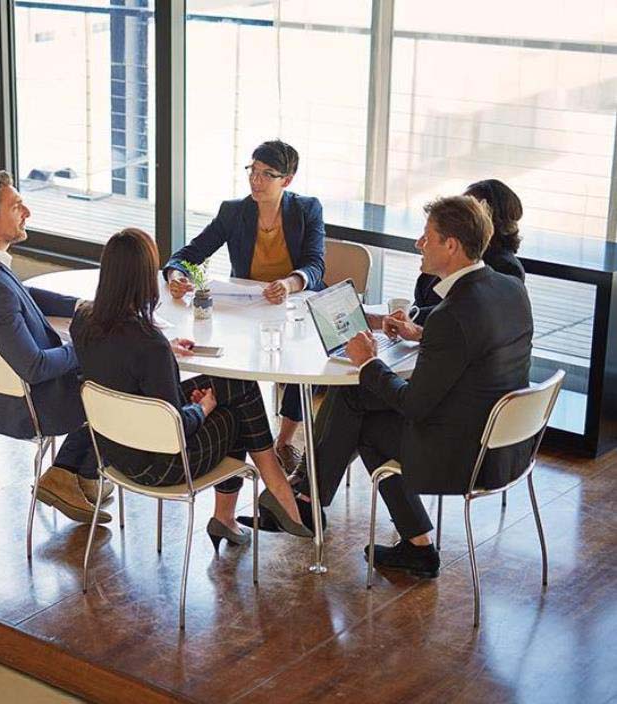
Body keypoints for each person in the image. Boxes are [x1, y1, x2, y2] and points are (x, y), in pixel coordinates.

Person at [283, 195, 534, 577]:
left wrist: (368, 361)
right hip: (509, 445)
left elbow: (414, 406)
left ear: (451, 245)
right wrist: (419, 333)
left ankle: (308, 499)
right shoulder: (508, 289)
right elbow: (469, 347)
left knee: (359, 408)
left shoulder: (454, 314)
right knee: (358, 399)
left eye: (426, 236)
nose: (419, 243)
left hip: (466, 457)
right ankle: (317, 502)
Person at [72, 227, 312, 548]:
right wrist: (203, 408)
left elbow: (120, 367)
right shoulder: (149, 344)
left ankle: (241, 512)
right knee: (237, 403)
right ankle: (278, 495)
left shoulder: (84, 320)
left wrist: (167, 353)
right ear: (144, 278)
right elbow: (176, 431)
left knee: (233, 386)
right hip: (161, 464)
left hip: (113, 452)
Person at [0, 171, 112, 525]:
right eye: (16, 206)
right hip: (28, 405)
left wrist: (84, 306)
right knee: (115, 377)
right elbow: (34, 367)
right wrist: (87, 345)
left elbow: (24, 296)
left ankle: (79, 475)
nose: (28, 212)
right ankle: (66, 472)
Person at [162, 140, 325, 473]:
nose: (256, 180)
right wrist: (176, 275)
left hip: (293, 305)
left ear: (287, 181)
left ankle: (285, 440)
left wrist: (290, 283)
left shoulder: (307, 210)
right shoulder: (234, 211)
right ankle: (240, 433)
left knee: (299, 361)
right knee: (231, 361)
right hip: (248, 306)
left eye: (267, 174)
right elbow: (187, 254)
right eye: (253, 170)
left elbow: (315, 265)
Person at [367, 178, 526, 330]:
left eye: (468, 208)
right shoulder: (433, 271)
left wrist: (384, 321)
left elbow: (461, 316)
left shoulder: (506, 271)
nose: (457, 213)